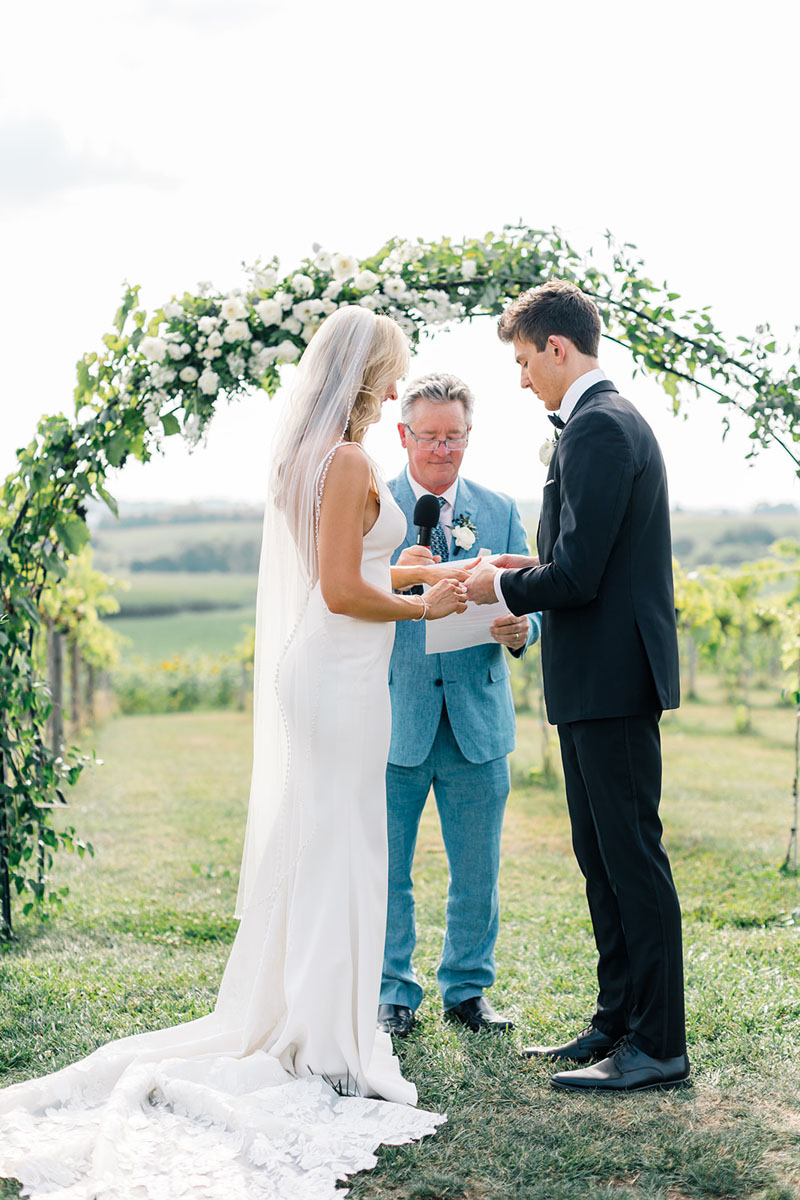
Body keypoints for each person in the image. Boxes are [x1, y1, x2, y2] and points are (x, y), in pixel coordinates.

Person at [0, 306, 472, 1197]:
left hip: (327, 673)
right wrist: (423, 607)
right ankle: (329, 1042)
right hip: (338, 677)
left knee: (332, 844)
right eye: (394, 372)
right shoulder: (347, 459)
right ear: (366, 374)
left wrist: (414, 572)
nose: (397, 387)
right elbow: (339, 589)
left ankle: (316, 1019)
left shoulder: (307, 457)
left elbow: (346, 565)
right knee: (344, 851)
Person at [466, 280, 689, 1093]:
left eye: (525, 361)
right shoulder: (597, 424)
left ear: (557, 348)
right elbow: (577, 559)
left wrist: (494, 589)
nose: (522, 380)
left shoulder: (597, 428)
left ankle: (659, 1045)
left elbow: (583, 575)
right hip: (596, 678)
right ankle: (616, 1022)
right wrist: (521, 569)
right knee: (600, 856)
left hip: (613, 680)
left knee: (631, 859)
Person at [377, 372, 541, 1039]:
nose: (442, 450)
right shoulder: (375, 507)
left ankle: (468, 991)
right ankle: (392, 992)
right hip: (393, 719)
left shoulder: (499, 509)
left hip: (477, 718)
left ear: (469, 437)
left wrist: (523, 628)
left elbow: (536, 592)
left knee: (478, 872)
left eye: (454, 437)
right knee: (389, 871)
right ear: (403, 436)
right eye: (429, 437)